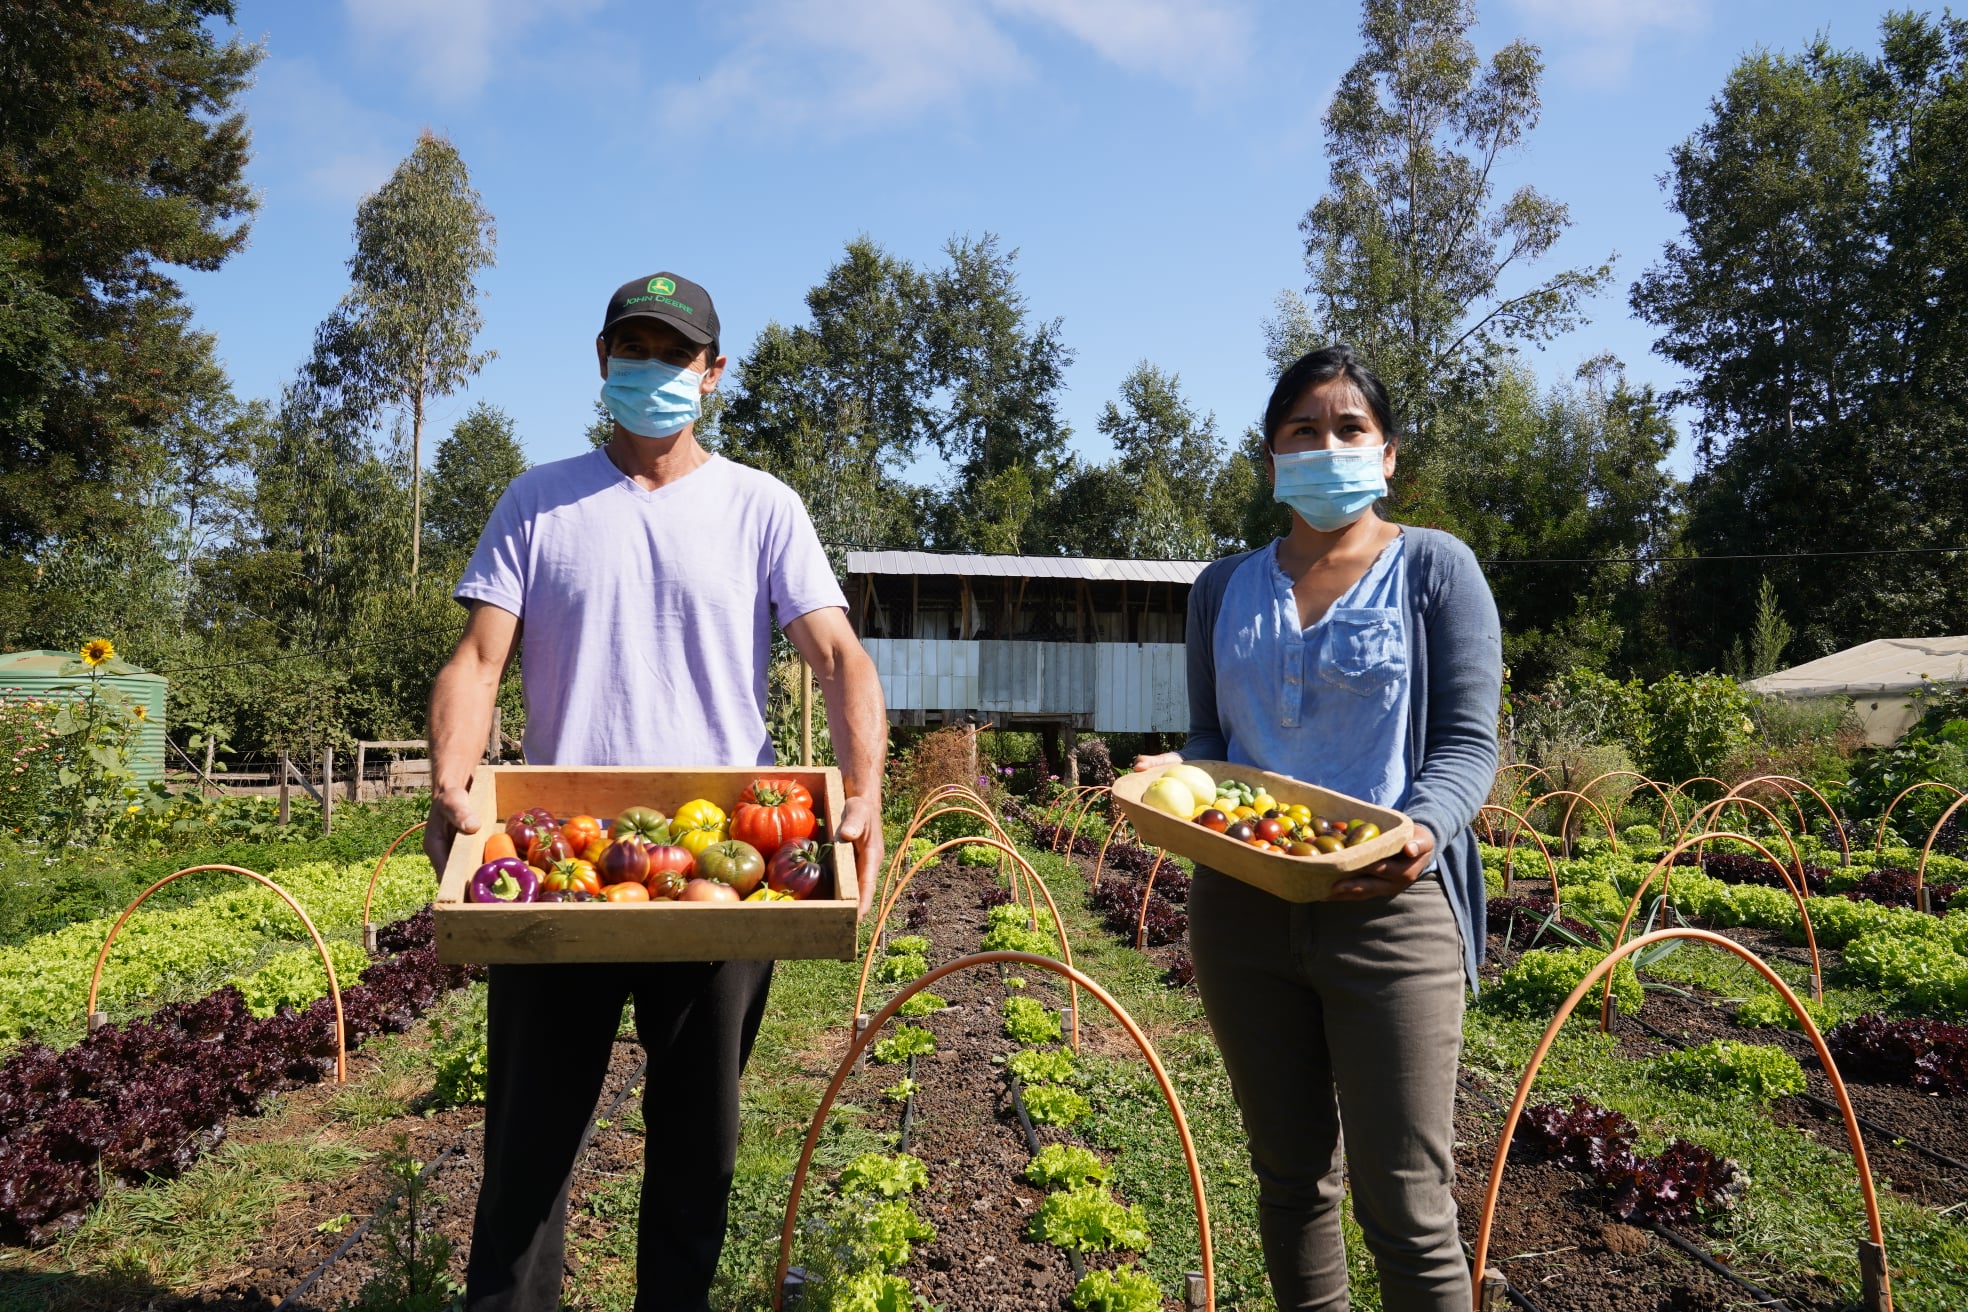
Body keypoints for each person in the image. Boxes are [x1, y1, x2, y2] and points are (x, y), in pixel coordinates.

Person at [423, 270, 888, 1312]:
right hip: (561, 862)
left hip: (719, 873)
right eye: (633, 349)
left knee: (696, 1144)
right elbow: (478, 660)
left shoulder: (762, 507)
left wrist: (864, 789)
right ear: (603, 360)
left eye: (676, 354)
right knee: (529, 1145)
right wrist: (452, 773)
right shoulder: (538, 501)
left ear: (712, 373)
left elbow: (840, 659)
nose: (653, 370)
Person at [1134, 345, 1500, 1312]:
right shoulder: (1222, 587)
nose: (1327, 446)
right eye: (1303, 430)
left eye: (1350, 429)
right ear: (1271, 457)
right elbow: (1212, 739)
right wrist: (1180, 773)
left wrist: (1420, 833)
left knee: (1409, 1205)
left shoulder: (1435, 568)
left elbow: (1468, 745)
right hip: (1242, 908)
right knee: (1291, 1179)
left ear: (1387, 455)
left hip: (1392, 909)